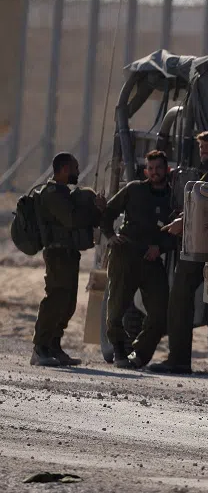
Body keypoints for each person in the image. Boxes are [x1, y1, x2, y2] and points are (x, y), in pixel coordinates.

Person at [148, 130, 208, 374]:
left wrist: (181, 223)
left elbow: (206, 205)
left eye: (207, 146)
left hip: (204, 243)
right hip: (206, 241)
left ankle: (178, 359)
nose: (203, 150)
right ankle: (179, 358)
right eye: (201, 146)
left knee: (179, 298)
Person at [101, 150, 176, 369]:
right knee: (116, 309)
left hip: (151, 259)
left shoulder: (173, 198)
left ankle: (140, 355)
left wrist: (160, 247)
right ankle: (119, 351)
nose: (155, 172)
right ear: (146, 171)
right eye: (151, 169)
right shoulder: (134, 189)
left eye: (159, 168)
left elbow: (179, 232)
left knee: (159, 313)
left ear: (167, 170)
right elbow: (108, 212)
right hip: (126, 254)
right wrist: (110, 236)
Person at [32, 152, 106, 367]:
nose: (78, 172)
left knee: (68, 303)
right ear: (64, 169)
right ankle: (40, 348)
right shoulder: (53, 193)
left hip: (69, 252)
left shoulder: (64, 193)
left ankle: (54, 346)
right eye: (75, 167)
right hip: (57, 253)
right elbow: (71, 219)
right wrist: (95, 210)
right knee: (55, 298)